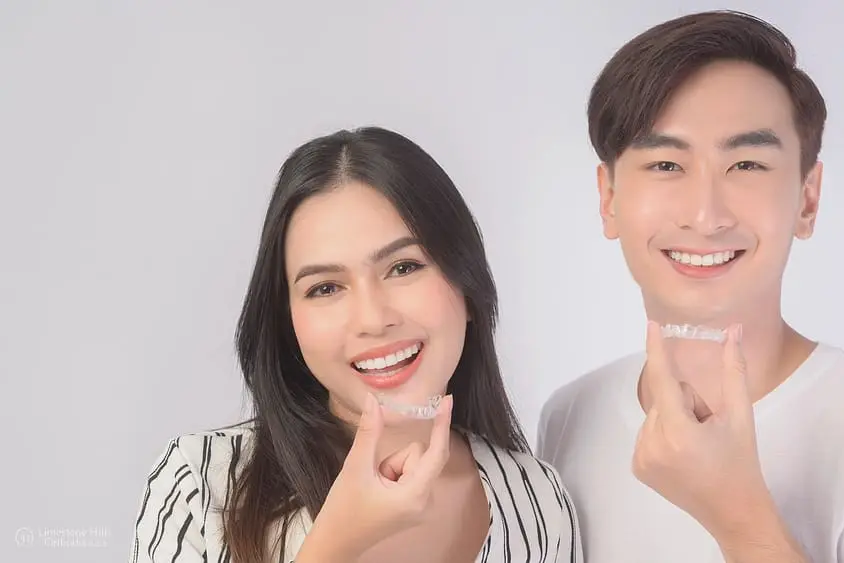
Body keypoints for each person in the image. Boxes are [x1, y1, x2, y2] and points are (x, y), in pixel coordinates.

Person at [537, 10, 844, 563]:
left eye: (746, 164)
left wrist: (741, 520)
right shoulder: (570, 417)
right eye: (666, 165)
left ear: (807, 199)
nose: (705, 216)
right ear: (608, 199)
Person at [128, 126, 582, 563]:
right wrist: (336, 544)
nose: (372, 319)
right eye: (325, 288)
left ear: (468, 283)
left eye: (403, 267)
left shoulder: (539, 502)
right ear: (289, 322)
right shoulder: (200, 487)